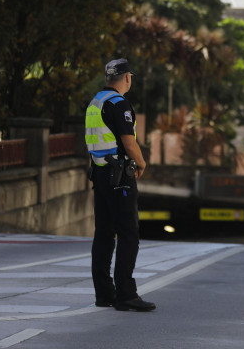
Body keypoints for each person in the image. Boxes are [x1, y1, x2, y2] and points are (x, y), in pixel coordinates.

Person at [86, 58, 154, 312]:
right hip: (119, 176)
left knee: (104, 233)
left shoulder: (95, 103)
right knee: (128, 233)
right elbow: (128, 141)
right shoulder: (118, 103)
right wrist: (141, 162)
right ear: (127, 77)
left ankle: (104, 294)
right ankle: (126, 294)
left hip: (100, 174)